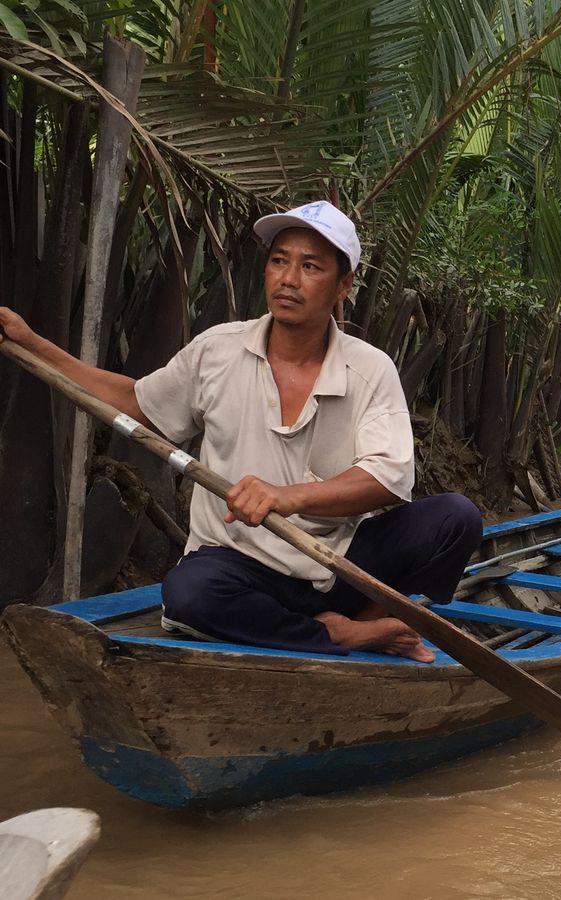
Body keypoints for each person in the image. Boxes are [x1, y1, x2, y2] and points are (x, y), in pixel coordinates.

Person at [0, 200, 482, 661]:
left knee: (455, 518)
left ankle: (367, 622)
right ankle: (335, 635)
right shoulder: (218, 351)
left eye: (311, 267)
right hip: (240, 566)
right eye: (279, 261)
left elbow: (388, 479)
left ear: (343, 285)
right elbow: (136, 403)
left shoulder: (370, 370)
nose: (289, 279)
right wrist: (31, 342)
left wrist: (288, 497)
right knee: (189, 593)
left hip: (337, 564)